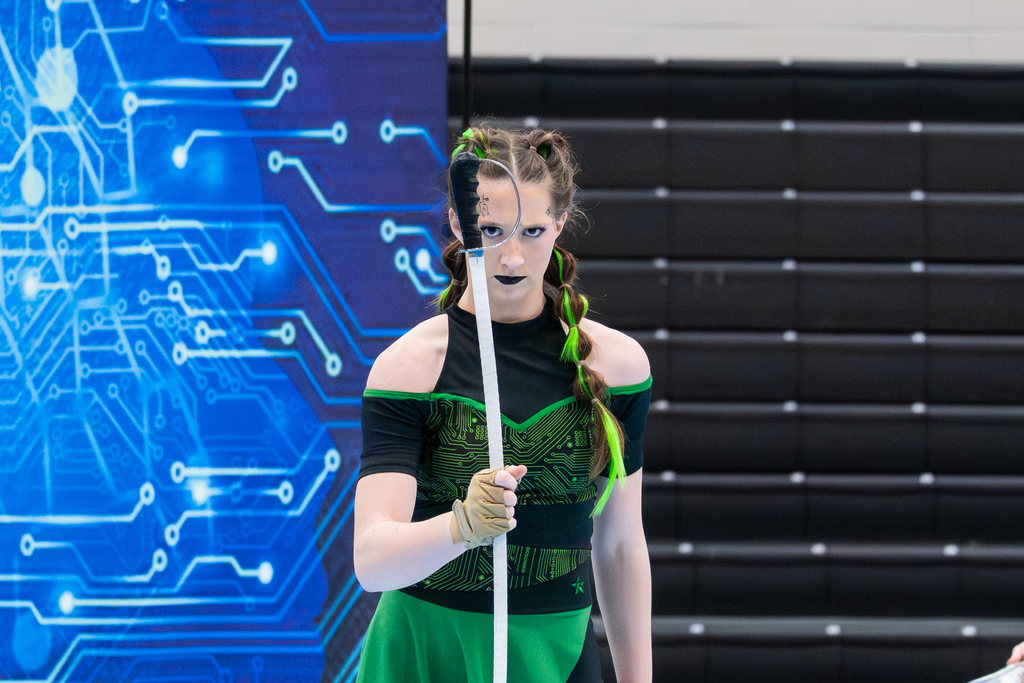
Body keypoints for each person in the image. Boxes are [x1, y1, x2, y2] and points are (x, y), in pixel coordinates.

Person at [352, 126, 653, 683]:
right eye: (490, 231)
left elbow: (619, 543)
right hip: (425, 650)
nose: (511, 257)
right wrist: (461, 525)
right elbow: (371, 562)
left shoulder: (620, 367)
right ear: (458, 223)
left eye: (533, 231)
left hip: (552, 652)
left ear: (560, 226)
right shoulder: (408, 369)